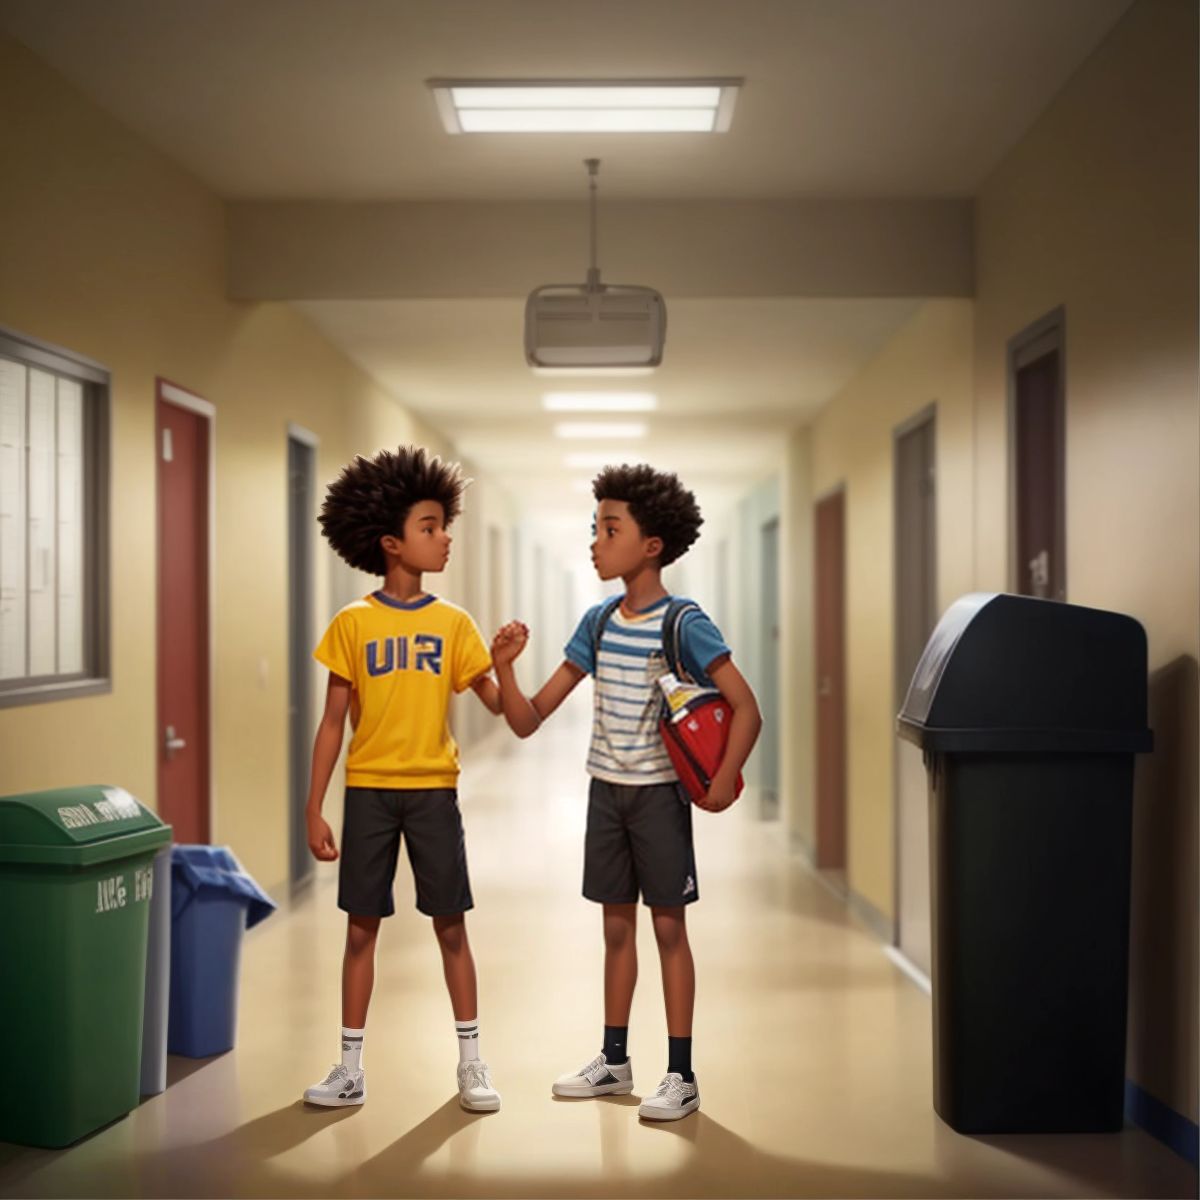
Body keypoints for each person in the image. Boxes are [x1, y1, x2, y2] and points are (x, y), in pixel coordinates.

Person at [492, 463, 761, 1121]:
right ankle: (614, 1061)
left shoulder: (684, 623)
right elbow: (528, 720)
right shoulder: (598, 622)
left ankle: (682, 1074)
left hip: (659, 799)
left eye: (610, 529)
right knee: (617, 932)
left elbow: (747, 708)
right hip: (605, 796)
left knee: (669, 930)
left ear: (651, 546)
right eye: (594, 528)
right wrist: (502, 667)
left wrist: (723, 781)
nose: (596, 541)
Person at [302, 445, 504, 1113]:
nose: (445, 538)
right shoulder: (352, 625)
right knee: (362, 929)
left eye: (445, 525)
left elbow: (498, 705)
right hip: (367, 793)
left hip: (433, 793)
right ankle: (350, 1066)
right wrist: (313, 808)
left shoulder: (454, 624)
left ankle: (472, 1064)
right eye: (430, 527)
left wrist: (500, 663)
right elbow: (332, 723)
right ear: (391, 542)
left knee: (452, 925)